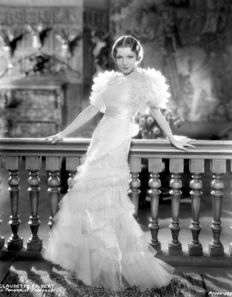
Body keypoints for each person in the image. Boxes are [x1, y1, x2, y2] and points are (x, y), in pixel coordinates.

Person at [43, 35, 194, 292]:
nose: (125, 62)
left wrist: (171, 137)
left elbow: (156, 111)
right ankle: (95, 265)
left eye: (130, 57)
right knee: (87, 199)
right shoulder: (109, 80)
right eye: (120, 57)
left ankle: (117, 264)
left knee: (110, 204)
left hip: (116, 144)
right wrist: (63, 133)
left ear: (138, 57)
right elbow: (91, 110)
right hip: (99, 140)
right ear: (115, 57)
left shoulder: (144, 82)